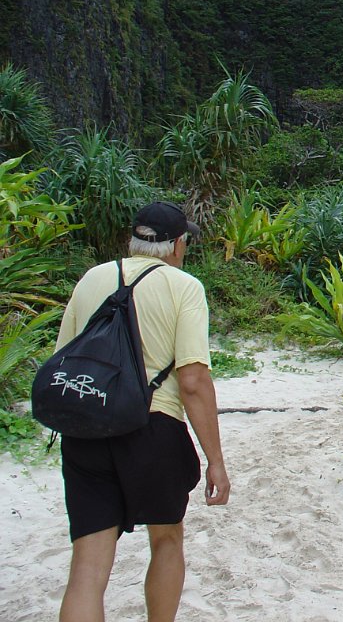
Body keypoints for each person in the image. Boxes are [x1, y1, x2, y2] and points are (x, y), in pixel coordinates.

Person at [54, 201, 230, 622]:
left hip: (88, 429)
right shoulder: (183, 286)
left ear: (133, 240)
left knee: (88, 568)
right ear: (177, 245)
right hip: (154, 428)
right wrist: (216, 461)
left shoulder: (93, 278)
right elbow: (192, 381)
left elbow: (63, 359)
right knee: (167, 540)